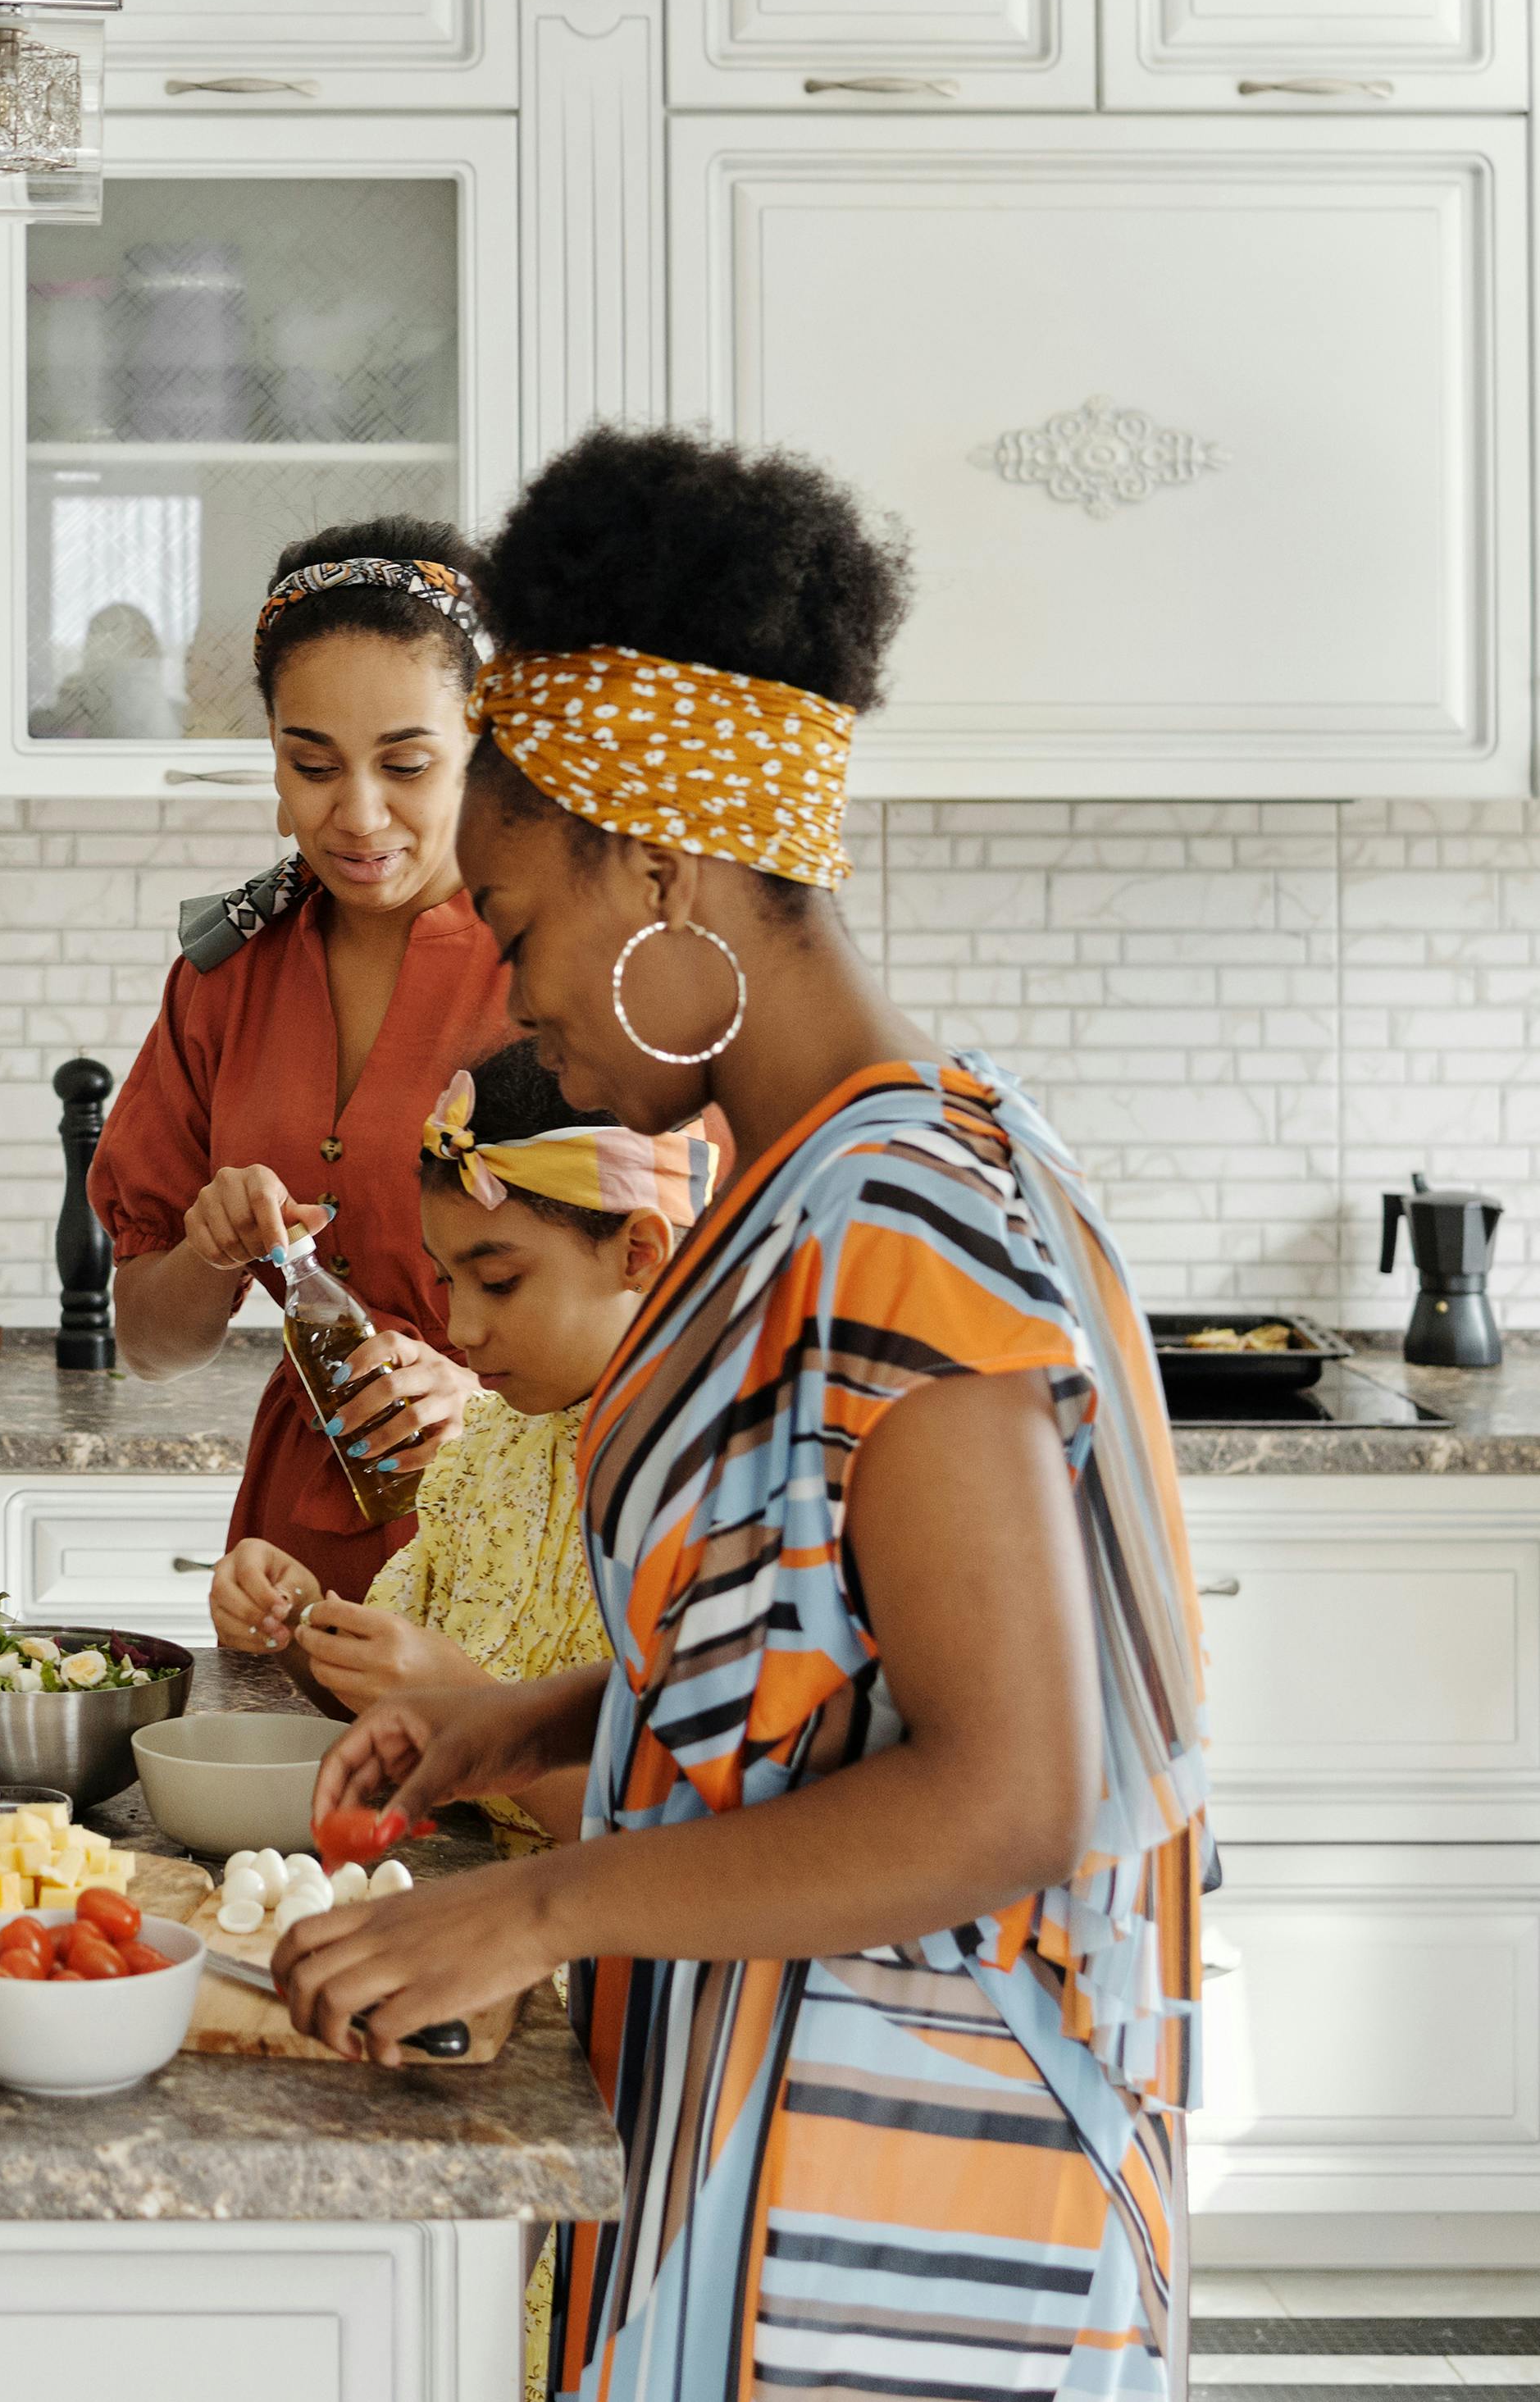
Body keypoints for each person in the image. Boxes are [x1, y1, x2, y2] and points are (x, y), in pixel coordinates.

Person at [274, 426, 1210, 2402]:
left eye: (517, 921)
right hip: (780, 2132)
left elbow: (1006, 1789)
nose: (507, 990)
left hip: (909, 2228)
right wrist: (541, 1717)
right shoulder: (828, 1175)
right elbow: (812, 1663)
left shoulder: (894, 1217)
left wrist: (533, 1903)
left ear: (664, 863)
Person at [87, 520, 517, 1613]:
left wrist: (477, 1396)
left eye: (407, 764)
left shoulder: (557, 971)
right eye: (312, 763)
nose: (358, 813)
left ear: (484, 743)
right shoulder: (228, 975)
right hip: (293, 1563)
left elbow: (683, 1319)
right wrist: (206, 1247)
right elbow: (150, 1342)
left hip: (521, 1542)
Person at [230, 1039, 706, 1848]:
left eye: (498, 1282)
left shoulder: (709, 1482)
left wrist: (468, 1708)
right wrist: (297, 1619)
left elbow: (679, 1841)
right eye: (446, 1280)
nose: (459, 1330)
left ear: (638, 1251)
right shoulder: (484, 1449)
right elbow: (389, 1695)